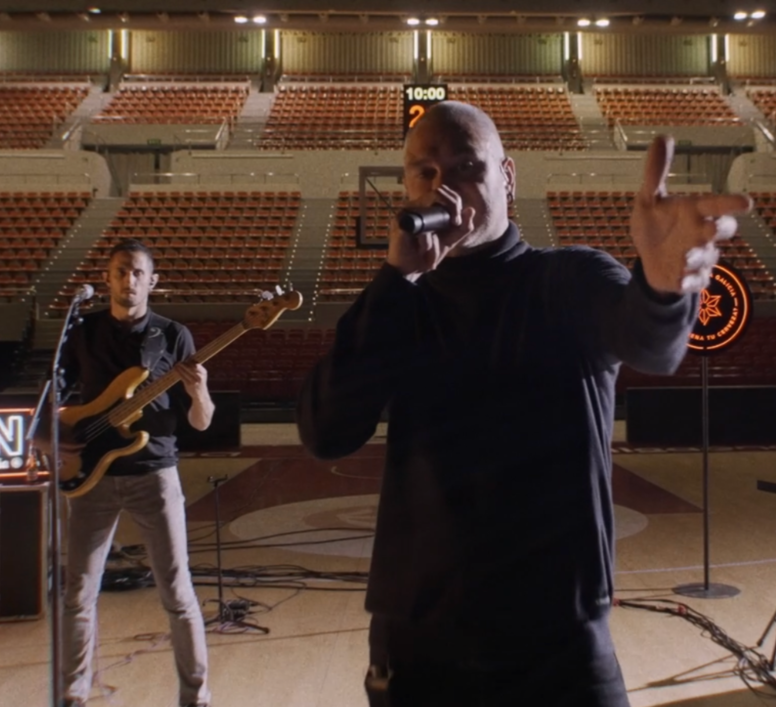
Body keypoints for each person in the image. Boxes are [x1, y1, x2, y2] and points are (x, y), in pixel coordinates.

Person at [298, 102, 752, 707]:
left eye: (466, 166)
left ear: (507, 178)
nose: (443, 186)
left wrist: (664, 288)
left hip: (556, 635)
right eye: (424, 171)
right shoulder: (398, 303)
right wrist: (394, 280)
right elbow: (326, 431)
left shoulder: (569, 279)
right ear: (405, 187)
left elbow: (650, 344)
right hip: (420, 635)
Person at [53, 239, 213, 707]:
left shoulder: (173, 335)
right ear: (107, 278)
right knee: (78, 594)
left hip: (154, 474)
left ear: (153, 281)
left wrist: (200, 392)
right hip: (91, 477)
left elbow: (201, 421)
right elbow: (54, 398)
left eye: (138, 272)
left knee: (177, 594)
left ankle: (196, 697)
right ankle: (73, 693)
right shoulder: (81, 331)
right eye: (121, 271)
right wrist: (50, 440)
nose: (129, 280)